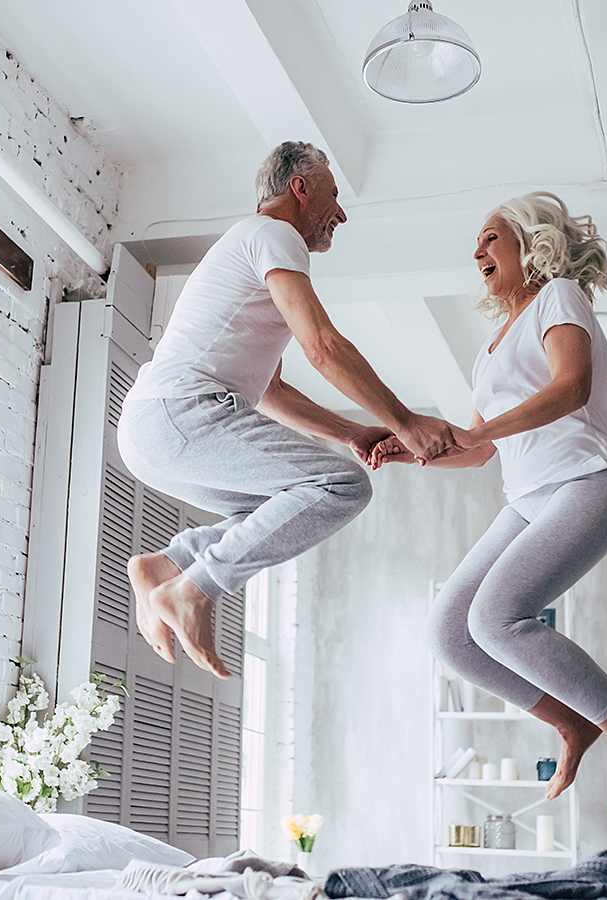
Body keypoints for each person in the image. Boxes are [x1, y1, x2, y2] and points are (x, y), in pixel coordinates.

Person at [373, 192, 607, 815]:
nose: (477, 251)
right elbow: (478, 450)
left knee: (495, 617)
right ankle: (572, 722)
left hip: (591, 480)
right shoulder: (489, 348)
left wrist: (475, 432)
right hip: (527, 497)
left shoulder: (559, 296)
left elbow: (572, 386)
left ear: (529, 241)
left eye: (489, 237)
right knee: (449, 633)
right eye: (476, 245)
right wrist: (409, 451)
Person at [118, 141, 457, 679]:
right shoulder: (273, 234)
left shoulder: (250, 248)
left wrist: (350, 432)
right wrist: (405, 422)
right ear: (300, 188)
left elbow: (271, 392)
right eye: (334, 196)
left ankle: (169, 565)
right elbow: (321, 346)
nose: (340, 214)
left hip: (153, 427)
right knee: (343, 486)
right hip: (180, 413)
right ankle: (195, 589)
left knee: (278, 509)